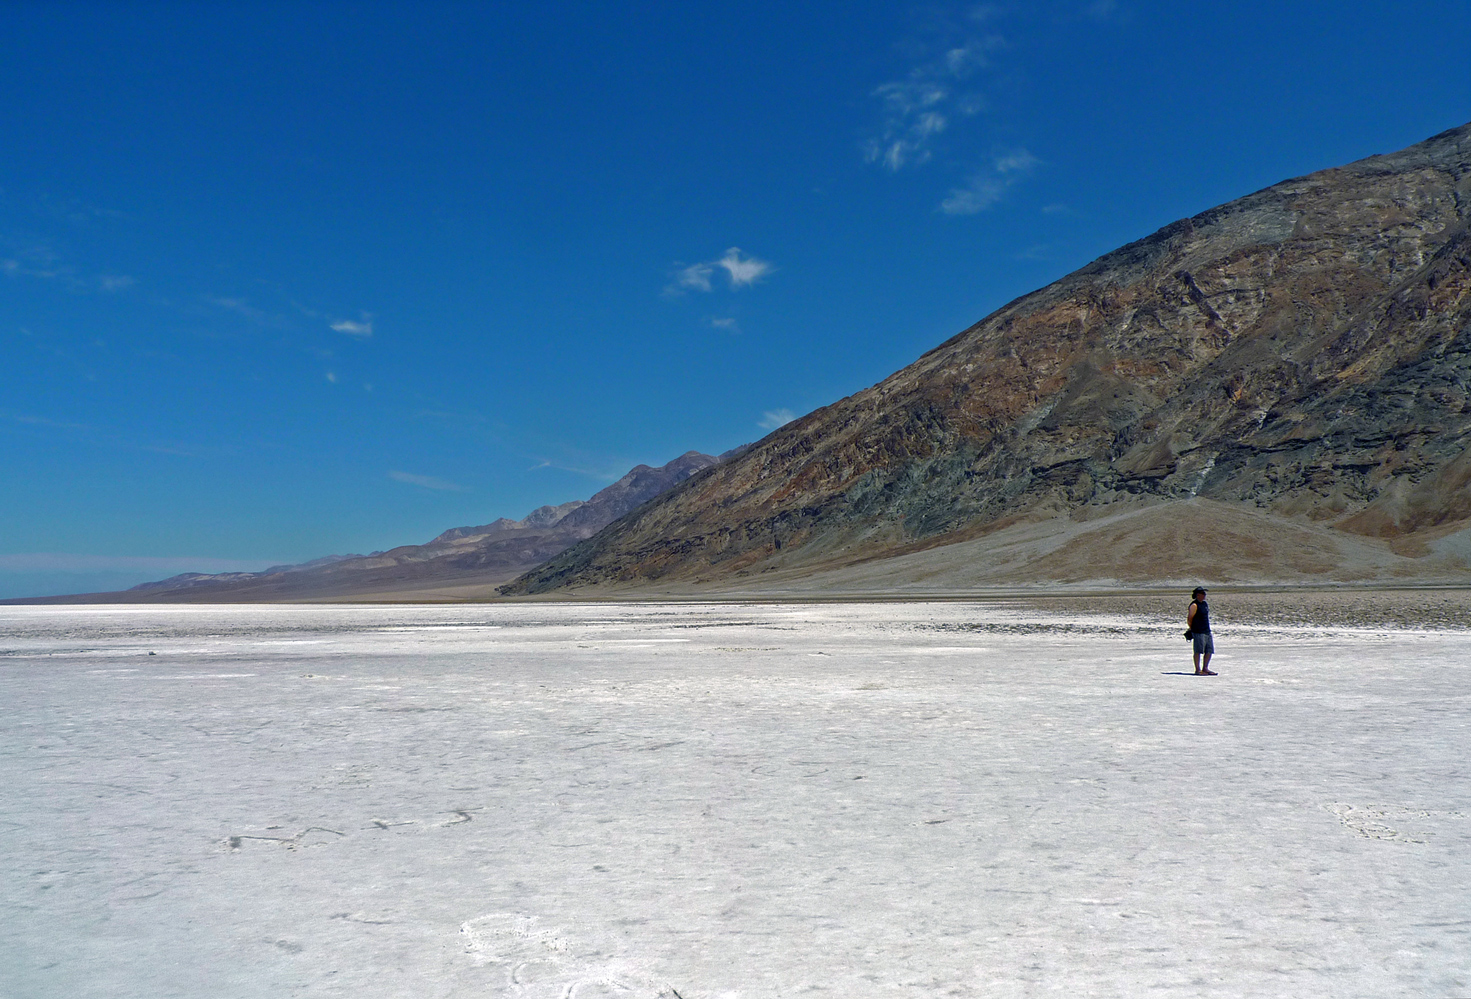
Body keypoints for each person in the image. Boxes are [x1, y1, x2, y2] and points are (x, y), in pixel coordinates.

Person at [1186, 587, 1215, 675]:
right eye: (1203, 594)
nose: (1204, 595)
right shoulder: (1194, 605)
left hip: (1206, 630)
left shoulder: (1205, 604)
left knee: (1209, 650)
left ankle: (1205, 668)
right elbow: (1190, 618)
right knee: (1198, 651)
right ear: (1198, 595)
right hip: (1198, 631)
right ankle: (1198, 669)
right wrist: (1192, 628)